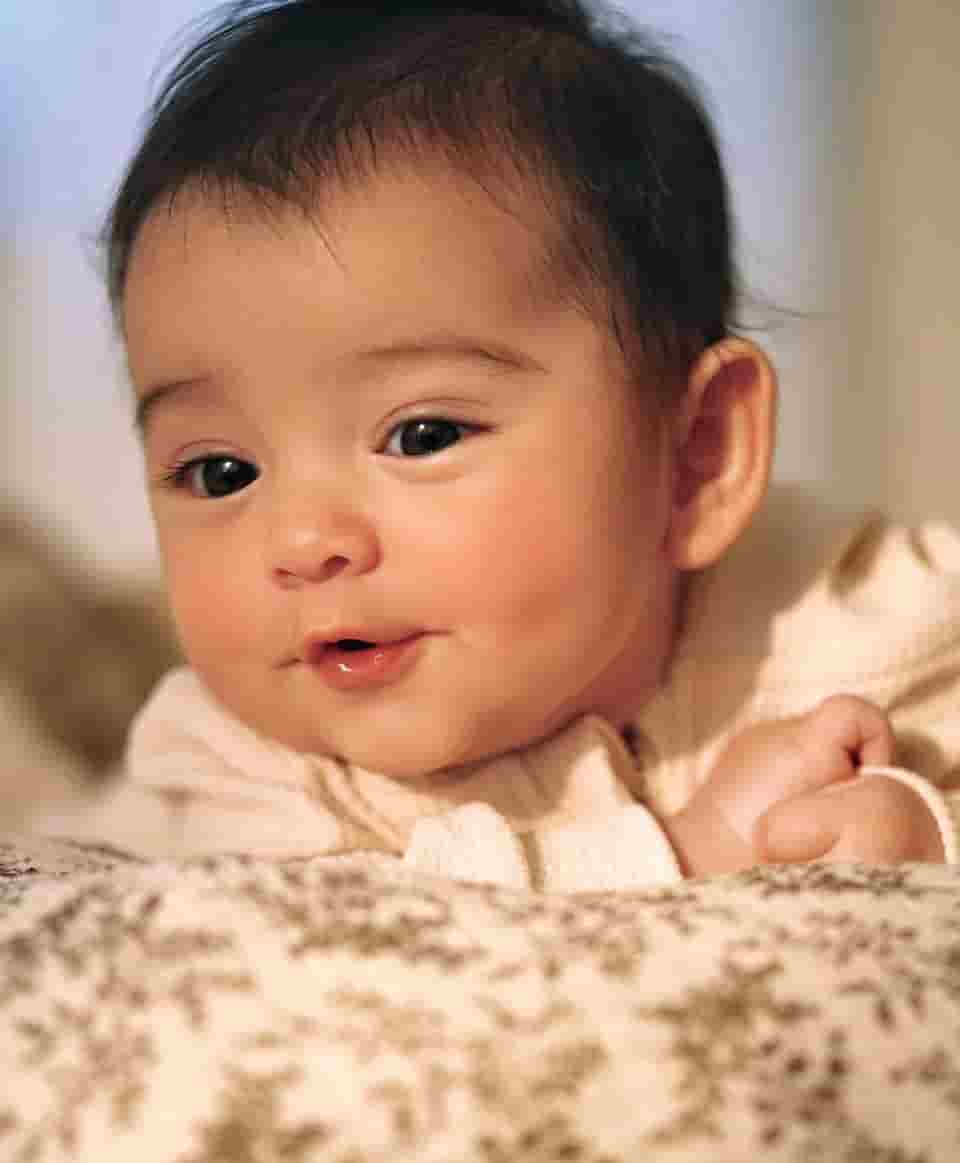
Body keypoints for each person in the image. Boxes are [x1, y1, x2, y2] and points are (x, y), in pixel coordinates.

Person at [51, 0, 960, 889]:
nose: (300, 541)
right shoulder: (225, 774)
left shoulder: (853, 619)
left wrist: (927, 824)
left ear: (697, 459)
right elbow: (358, 943)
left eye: (421, 434)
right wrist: (694, 845)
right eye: (222, 472)